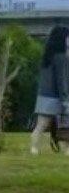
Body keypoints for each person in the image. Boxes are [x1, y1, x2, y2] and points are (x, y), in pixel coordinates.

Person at [31, 24, 69, 155]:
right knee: (65, 124)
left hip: (43, 95)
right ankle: (67, 149)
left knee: (41, 125)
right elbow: (62, 80)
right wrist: (65, 99)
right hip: (56, 96)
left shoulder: (47, 56)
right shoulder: (61, 57)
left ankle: (34, 148)